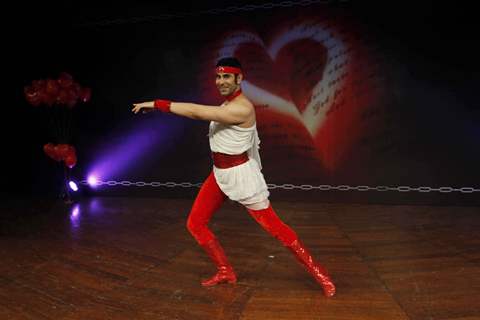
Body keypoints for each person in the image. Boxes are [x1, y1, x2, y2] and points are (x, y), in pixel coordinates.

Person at [132, 57, 336, 297]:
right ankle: (225, 270)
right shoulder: (226, 105)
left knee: (277, 230)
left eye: (227, 76)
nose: (221, 81)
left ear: (240, 79)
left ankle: (322, 276)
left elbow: (197, 112)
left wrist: (157, 104)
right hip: (220, 174)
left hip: (241, 177)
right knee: (195, 224)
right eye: (218, 77)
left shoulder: (243, 108)